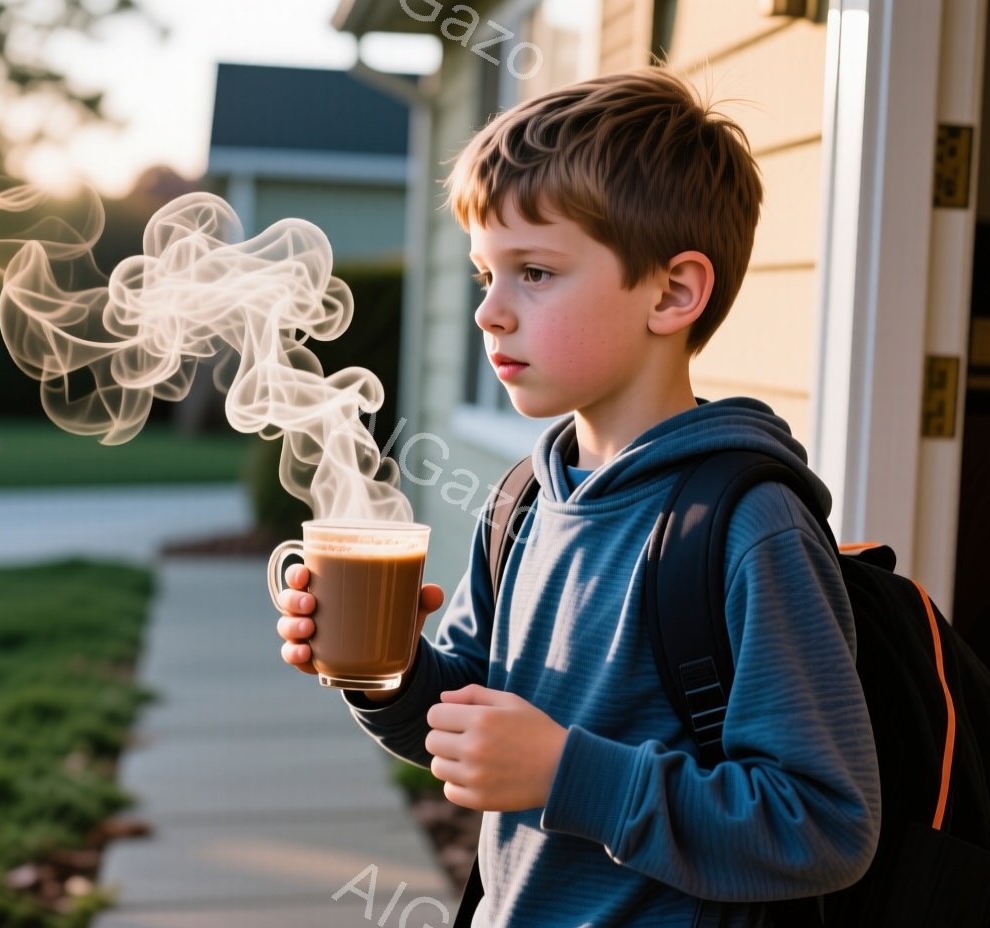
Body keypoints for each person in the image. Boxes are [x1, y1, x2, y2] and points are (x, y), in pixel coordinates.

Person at [274, 65, 879, 927]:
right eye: (486, 273)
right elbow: (472, 736)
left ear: (672, 293)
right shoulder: (524, 499)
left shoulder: (747, 526)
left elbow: (824, 827)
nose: (490, 311)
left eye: (536, 272)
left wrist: (569, 775)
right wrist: (389, 674)